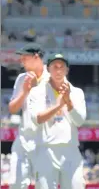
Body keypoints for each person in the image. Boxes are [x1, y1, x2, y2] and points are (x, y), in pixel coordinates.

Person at [27, 53, 86, 189]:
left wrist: (68, 102)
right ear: (48, 69)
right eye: (55, 67)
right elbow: (37, 119)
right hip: (45, 149)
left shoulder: (77, 92)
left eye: (62, 67)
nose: (58, 71)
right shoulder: (37, 92)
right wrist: (59, 105)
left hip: (70, 148)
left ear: (67, 70)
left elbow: (79, 121)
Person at [8, 43, 50, 189]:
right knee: (16, 184)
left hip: (46, 142)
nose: (22, 61)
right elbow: (12, 109)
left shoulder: (53, 78)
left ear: (36, 57)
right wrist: (25, 91)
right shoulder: (21, 78)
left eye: (25, 58)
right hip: (24, 138)